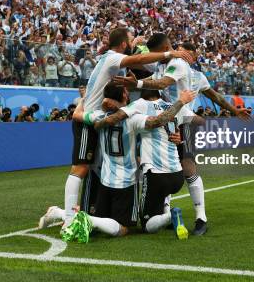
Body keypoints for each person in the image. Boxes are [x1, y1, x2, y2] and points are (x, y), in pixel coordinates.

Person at [113, 36, 249, 235]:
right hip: (166, 120)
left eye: (189, 53)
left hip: (183, 121)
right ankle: (167, 213)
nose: (187, 55)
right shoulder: (164, 64)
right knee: (165, 168)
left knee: (187, 166)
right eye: (182, 50)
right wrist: (134, 48)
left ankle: (201, 218)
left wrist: (234, 110)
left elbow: (166, 85)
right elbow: (144, 64)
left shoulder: (178, 64)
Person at [61, 28, 194, 230]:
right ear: (123, 44)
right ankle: (70, 218)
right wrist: (170, 53)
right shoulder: (113, 58)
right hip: (89, 119)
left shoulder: (115, 70)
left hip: (95, 117)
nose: (134, 43)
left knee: (96, 167)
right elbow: (137, 61)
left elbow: (141, 65)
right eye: (131, 40)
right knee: (81, 168)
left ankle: (85, 213)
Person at [58, 83, 196, 242]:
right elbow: (157, 121)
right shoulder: (133, 119)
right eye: (126, 90)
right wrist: (181, 103)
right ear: (124, 95)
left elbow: (76, 114)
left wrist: (84, 99)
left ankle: (65, 214)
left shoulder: (99, 115)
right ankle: (89, 220)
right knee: (124, 228)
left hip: (105, 180)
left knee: (106, 218)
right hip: (126, 183)